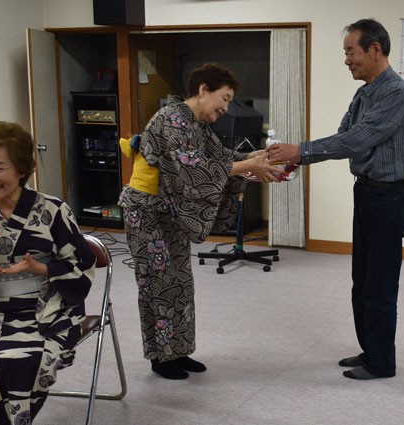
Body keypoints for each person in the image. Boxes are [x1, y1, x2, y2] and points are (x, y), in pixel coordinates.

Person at [267, 19, 404, 380]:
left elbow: (357, 139)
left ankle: (382, 363)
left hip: (389, 198)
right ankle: (371, 351)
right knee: (361, 281)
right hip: (366, 192)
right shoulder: (364, 93)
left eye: (351, 51)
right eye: (345, 52)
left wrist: (300, 151)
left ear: (375, 50)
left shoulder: (398, 93)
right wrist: (298, 160)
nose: (347, 59)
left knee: (379, 285)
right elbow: (344, 135)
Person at [118, 63, 282, 380]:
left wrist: (257, 158)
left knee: (180, 282)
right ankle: (160, 357)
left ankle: (178, 351)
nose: (226, 107)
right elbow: (192, 169)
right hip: (148, 210)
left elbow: (220, 158)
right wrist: (247, 166)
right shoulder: (171, 118)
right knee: (157, 283)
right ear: (204, 89)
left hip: (171, 210)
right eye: (225, 98)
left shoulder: (196, 124)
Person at [0, 121, 96, 423]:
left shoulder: (52, 211)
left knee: (29, 359)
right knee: (5, 361)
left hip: (51, 312)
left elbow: (82, 265)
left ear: (21, 169)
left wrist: (42, 268)